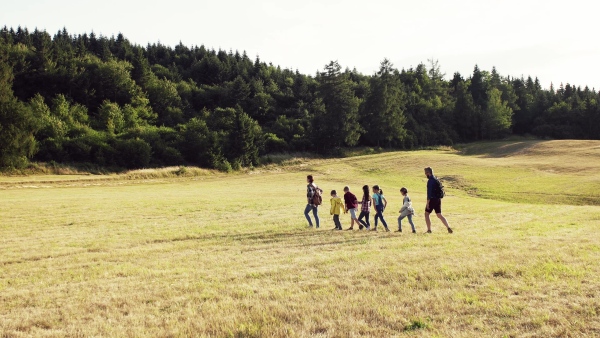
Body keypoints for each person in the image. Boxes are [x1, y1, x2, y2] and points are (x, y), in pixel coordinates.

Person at [424, 167, 453, 234]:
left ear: (429, 173)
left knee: (426, 214)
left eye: (426, 173)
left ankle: (429, 230)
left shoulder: (430, 181)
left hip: (432, 199)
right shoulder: (436, 179)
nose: (426, 175)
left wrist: (428, 202)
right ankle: (448, 227)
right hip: (438, 199)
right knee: (439, 215)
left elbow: (429, 193)